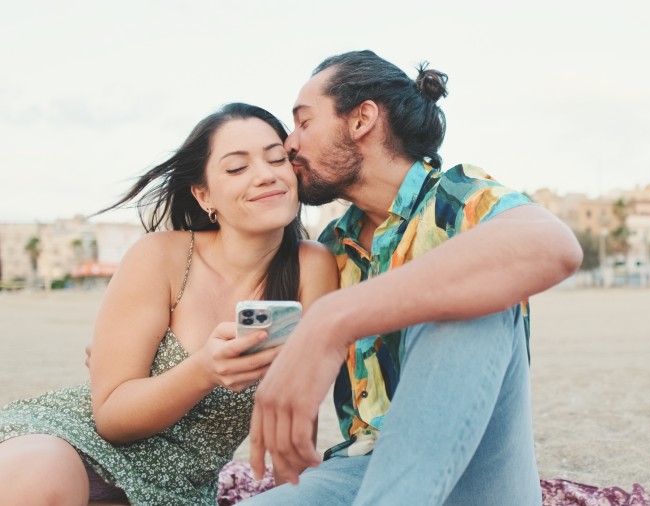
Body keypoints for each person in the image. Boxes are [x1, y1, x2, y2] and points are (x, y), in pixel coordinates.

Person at [243, 50, 582, 505]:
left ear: (362, 118)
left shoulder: (455, 200)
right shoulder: (329, 250)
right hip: (357, 473)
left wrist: (335, 318)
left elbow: (554, 246)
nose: (290, 143)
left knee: (465, 293)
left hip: (476, 477)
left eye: (304, 122)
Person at [0, 103, 338, 506]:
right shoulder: (161, 256)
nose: (265, 175)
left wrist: (291, 491)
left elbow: (298, 420)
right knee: (43, 476)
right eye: (236, 168)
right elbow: (111, 418)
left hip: (179, 490)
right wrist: (205, 369)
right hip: (73, 444)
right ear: (203, 194)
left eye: (277, 158)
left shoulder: (312, 265)